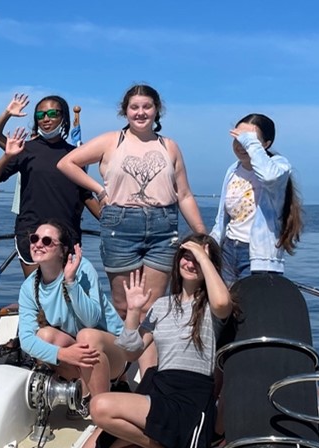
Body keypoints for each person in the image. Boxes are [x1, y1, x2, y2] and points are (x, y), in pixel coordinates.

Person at [79, 233, 232, 448]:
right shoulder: (162, 306)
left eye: (198, 258)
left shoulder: (212, 308)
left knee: (100, 406)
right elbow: (130, 353)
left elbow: (222, 301)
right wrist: (134, 312)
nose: (191, 263)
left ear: (209, 265)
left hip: (189, 399)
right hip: (159, 390)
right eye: (186, 256)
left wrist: (203, 256)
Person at [57, 84, 207, 321]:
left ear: (157, 110)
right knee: (123, 305)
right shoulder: (110, 141)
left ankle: (148, 358)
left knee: (151, 307)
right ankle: (124, 356)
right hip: (120, 227)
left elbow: (185, 194)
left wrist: (201, 235)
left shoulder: (169, 146)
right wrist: (100, 190)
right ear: (125, 111)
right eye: (134, 107)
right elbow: (66, 163)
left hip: (163, 228)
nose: (140, 112)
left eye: (147, 107)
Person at [0, 94, 99, 277]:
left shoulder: (76, 155)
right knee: (38, 296)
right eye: (40, 115)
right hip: (31, 234)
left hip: (66, 237)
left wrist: (112, 222)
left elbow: (85, 195)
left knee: (65, 296)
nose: (46, 119)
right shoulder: (25, 149)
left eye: (53, 113)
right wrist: (7, 115)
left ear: (64, 117)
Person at [18, 221, 125, 399]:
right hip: (76, 353)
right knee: (44, 336)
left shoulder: (82, 269)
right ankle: (82, 395)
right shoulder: (29, 287)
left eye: (47, 241)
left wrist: (71, 282)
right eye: (35, 238)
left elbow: (91, 320)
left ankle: (100, 407)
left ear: (62, 250)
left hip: (113, 353)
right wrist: (63, 354)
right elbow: (27, 340)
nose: (38, 244)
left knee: (87, 336)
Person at [210, 113, 303, 284]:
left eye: (248, 140)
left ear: (266, 144)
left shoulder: (279, 166)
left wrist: (250, 142)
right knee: (225, 305)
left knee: (252, 306)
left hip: (258, 255)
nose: (241, 145)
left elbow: (268, 177)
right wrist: (211, 246)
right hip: (229, 249)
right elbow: (222, 219)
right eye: (238, 139)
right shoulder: (233, 170)